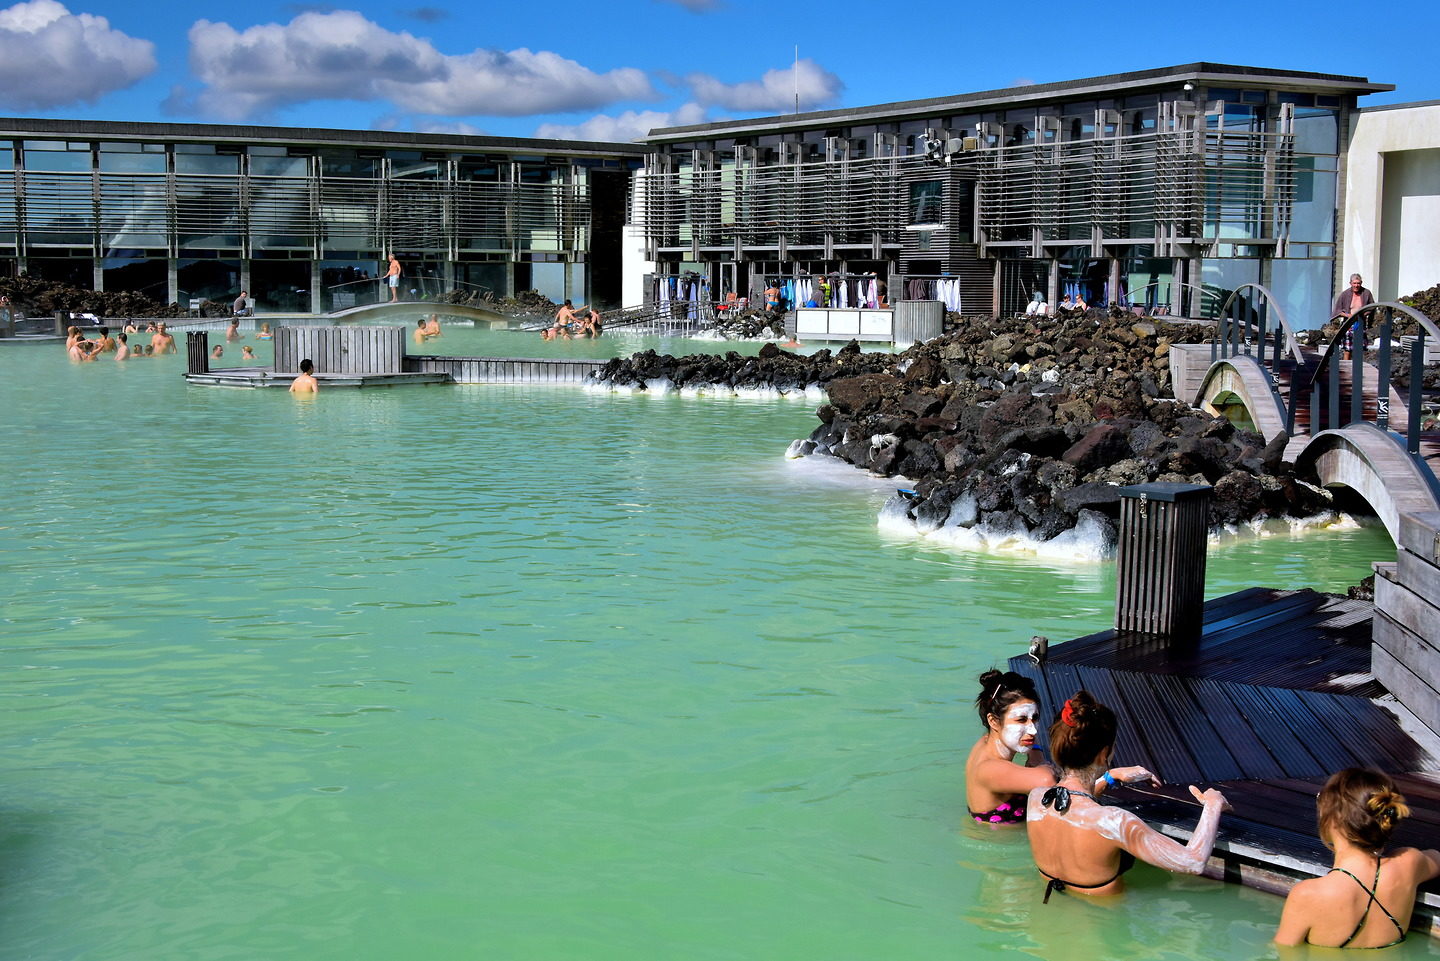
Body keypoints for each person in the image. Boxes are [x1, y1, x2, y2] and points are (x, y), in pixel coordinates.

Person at [1027, 690, 1226, 903]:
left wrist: (1111, 777)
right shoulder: (1116, 821)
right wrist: (1213, 804)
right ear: (1104, 753)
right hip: (1102, 925)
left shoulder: (1037, 799)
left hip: (1052, 912)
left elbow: (1075, 806)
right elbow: (1193, 862)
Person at [1275, 768, 1440, 948]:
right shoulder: (1409, 863)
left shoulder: (1308, 894)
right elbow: (1436, 858)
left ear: (1331, 819)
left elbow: (1283, 951)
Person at [966, 671, 1157, 826]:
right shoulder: (992, 769)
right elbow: (1073, 801)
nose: (1032, 729)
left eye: (1036, 718)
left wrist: (1036, 753)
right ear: (993, 721)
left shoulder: (985, 743)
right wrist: (1111, 776)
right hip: (1004, 862)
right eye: (1021, 720)